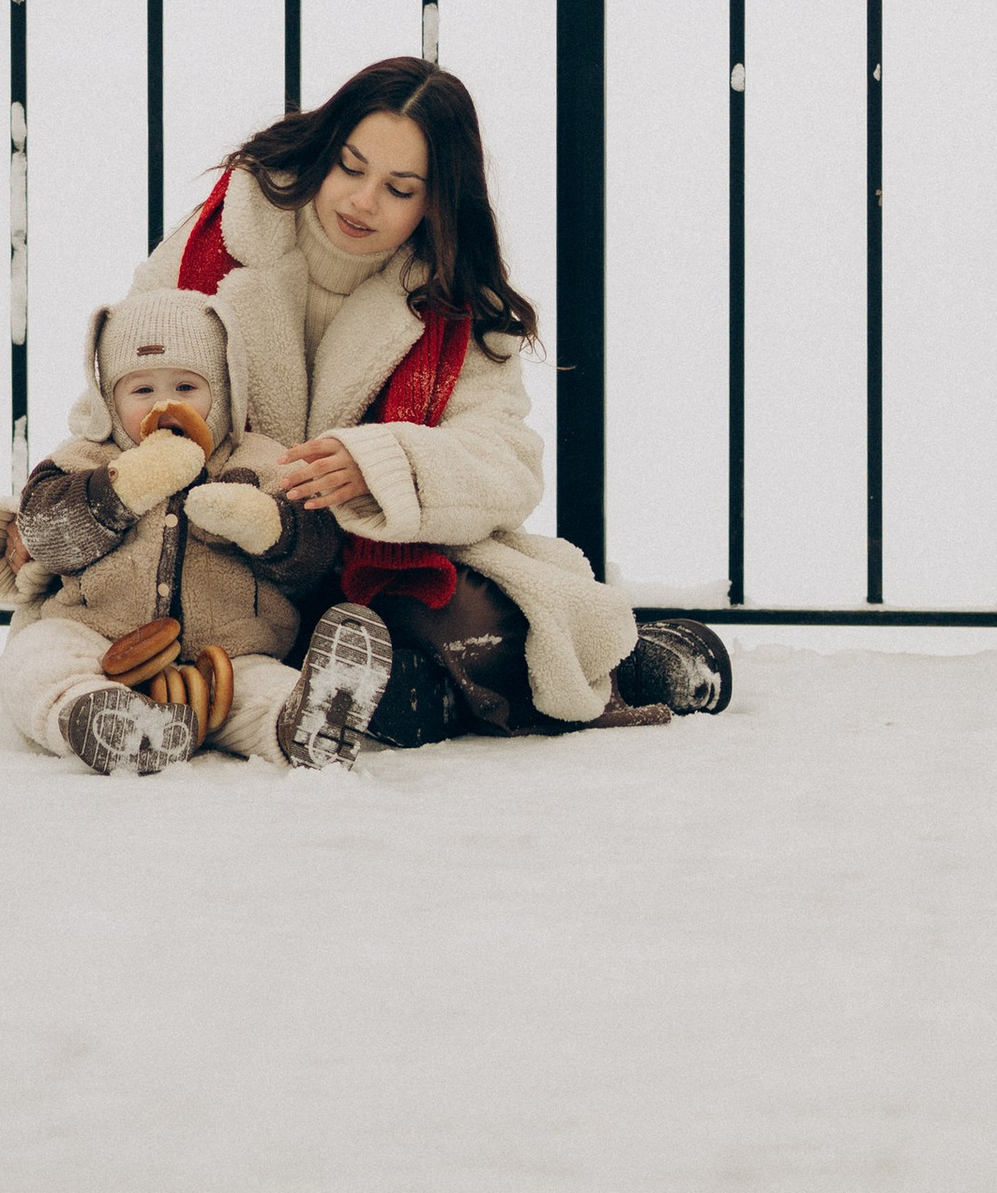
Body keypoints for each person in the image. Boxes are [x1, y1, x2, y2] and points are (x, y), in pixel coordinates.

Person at [117, 57, 732, 745]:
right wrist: (63, 508)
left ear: (436, 201)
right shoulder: (221, 238)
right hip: (225, 554)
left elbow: (509, 460)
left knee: (457, 610)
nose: (361, 201)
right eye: (350, 166)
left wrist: (384, 467)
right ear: (325, 149)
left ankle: (620, 664)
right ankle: (422, 695)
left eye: (398, 187)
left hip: (372, 567)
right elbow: (122, 380)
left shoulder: (454, 298)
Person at [0, 287, 389, 775]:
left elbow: (315, 556)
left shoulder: (259, 461)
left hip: (231, 654)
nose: (164, 403)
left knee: (260, 689)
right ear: (109, 398)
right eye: (141, 390)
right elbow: (42, 532)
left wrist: (265, 524)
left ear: (225, 390)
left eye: (187, 388)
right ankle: (95, 716)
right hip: (96, 638)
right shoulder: (85, 459)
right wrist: (123, 488)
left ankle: (302, 723)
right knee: (37, 659)